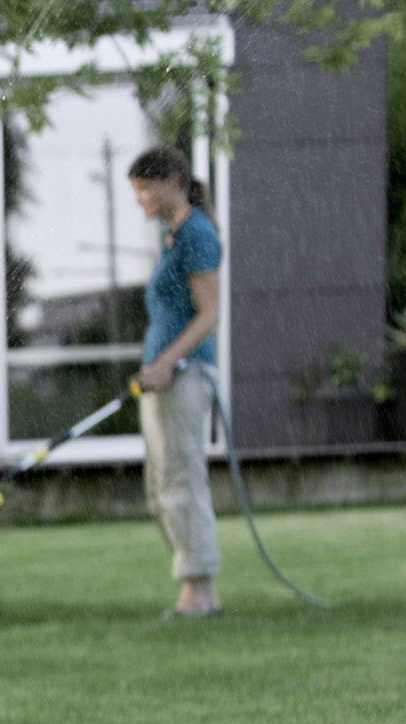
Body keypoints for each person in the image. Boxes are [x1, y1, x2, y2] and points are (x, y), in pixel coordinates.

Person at [128, 146, 224, 619]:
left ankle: (200, 590)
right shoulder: (173, 236)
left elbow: (209, 315)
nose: (140, 199)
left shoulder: (197, 235)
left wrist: (166, 362)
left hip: (184, 376)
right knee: (160, 486)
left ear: (171, 180)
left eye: (145, 189)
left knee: (182, 480)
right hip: (162, 378)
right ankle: (193, 585)